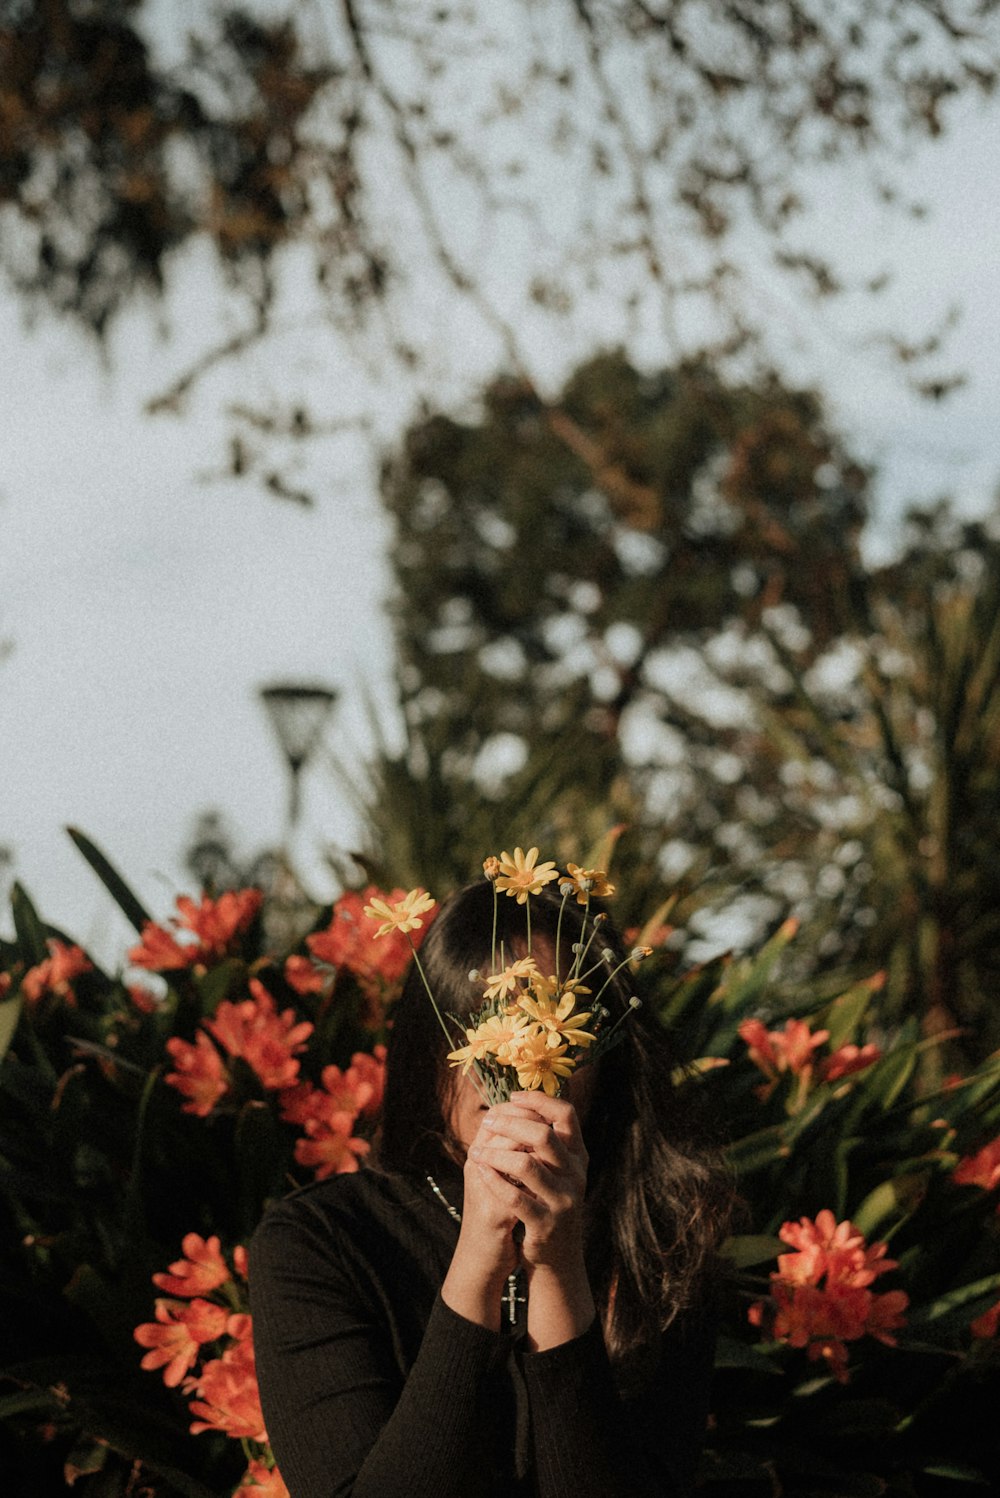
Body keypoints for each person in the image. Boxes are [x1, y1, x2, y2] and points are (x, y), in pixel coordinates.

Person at [249, 877, 733, 1498]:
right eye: (478, 1030)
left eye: (549, 1033)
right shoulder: (319, 1243)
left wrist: (557, 1267)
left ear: (605, 1058)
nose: (507, 1061)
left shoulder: (662, 1240)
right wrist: (478, 1259)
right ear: (430, 1046)